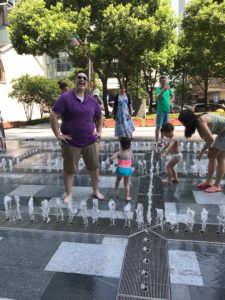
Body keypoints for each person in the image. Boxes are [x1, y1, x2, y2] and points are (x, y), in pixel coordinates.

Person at [50, 71, 104, 204]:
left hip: (90, 142)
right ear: (75, 81)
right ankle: (69, 193)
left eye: (84, 78)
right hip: (71, 142)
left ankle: (96, 190)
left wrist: (99, 131)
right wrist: (58, 134)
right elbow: (53, 114)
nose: (82, 80)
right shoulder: (65, 98)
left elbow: (100, 116)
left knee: (93, 168)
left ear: (87, 83)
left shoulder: (91, 100)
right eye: (79, 77)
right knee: (69, 169)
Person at [178, 109, 225, 193]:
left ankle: (217, 185)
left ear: (187, 120)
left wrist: (201, 152)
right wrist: (210, 148)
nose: (182, 124)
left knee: (220, 158)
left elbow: (211, 139)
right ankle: (208, 182)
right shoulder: (197, 122)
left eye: (183, 122)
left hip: (223, 133)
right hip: (222, 133)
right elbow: (208, 138)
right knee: (212, 155)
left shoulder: (200, 121)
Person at [109, 137, 133, 201]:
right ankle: (127, 197)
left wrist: (111, 162)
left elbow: (111, 158)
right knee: (127, 184)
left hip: (120, 170)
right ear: (129, 145)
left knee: (118, 181)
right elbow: (132, 160)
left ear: (121, 145)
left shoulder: (119, 153)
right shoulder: (130, 153)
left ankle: (116, 192)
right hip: (127, 170)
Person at [155, 76, 174, 148]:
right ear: (160, 82)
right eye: (162, 81)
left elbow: (172, 96)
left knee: (164, 127)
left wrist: (170, 102)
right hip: (160, 110)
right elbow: (158, 98)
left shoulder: (169, 90)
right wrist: (163, 90)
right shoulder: (158, 89)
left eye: (164, 81)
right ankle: (156, 142)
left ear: (166, 81)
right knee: (158, 127)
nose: (163, 82)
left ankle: (161, 140)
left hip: (167, 110)